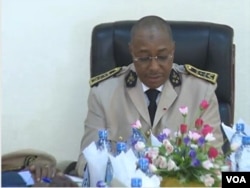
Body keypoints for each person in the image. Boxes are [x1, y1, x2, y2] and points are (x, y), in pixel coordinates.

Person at [75, 15, 224, 177]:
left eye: (162, 57)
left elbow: (214, 162)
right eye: (144, 58)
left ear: (172, 51)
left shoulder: (201, 91)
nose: (154, 67)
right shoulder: (104, 93)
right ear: (131, 51)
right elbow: (86, 161)